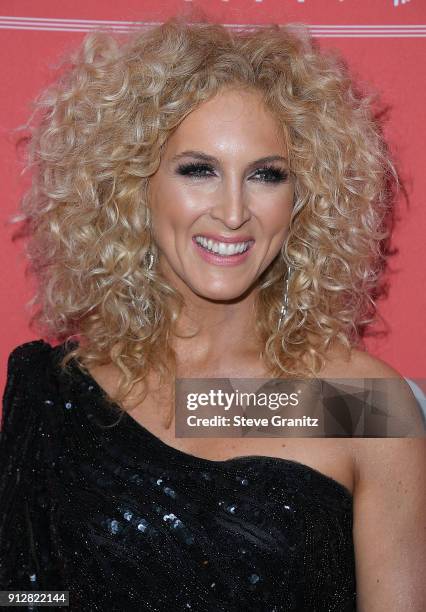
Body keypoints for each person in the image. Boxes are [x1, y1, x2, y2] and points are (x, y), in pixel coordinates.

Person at [1, 14, 425, 612]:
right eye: (198, 170)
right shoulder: (55, 394)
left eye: (266, 175)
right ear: (133, 185)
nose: (232, 212)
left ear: (302, 200)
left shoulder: (356, 402)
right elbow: (23, 597)